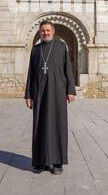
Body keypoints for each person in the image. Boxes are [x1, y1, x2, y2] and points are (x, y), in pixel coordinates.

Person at [25, 21, 76, 175]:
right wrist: (28, 94)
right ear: (40, 33)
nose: (45, 33)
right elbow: (30, 74)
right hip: (39, 91)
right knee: (40, 125)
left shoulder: (61, 46)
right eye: (42, 31)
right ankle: (40, 162)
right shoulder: (35, 49)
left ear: (53, 31)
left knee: (57, 125)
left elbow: (68, 69)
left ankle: (56, 162)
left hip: (58, 91)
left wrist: (71, 90)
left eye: (48, 30)